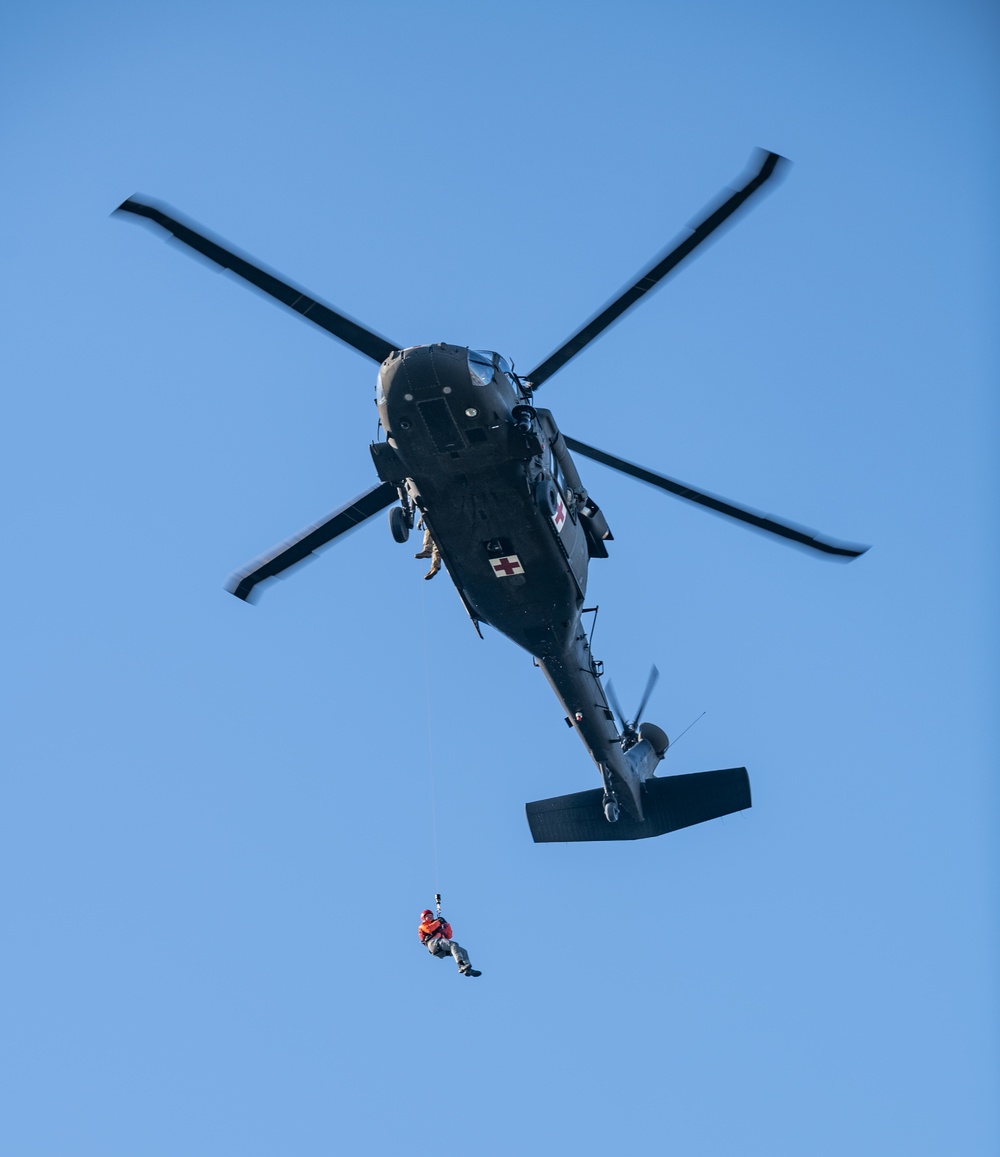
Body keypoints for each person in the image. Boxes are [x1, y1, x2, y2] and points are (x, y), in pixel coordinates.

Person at [418, 908, 481, 977]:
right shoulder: (423, 926)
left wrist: (446, 924)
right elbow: (429, 929)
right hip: (433, 943)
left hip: (441, 946)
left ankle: (468, 969)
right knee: (453, 944)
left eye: (431, 915)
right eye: (428, 916)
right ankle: (461, 965)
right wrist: (438, 921)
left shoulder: (437, 926)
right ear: (424, 918)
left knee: (463, 951)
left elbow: (449, 935)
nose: (430, 917)